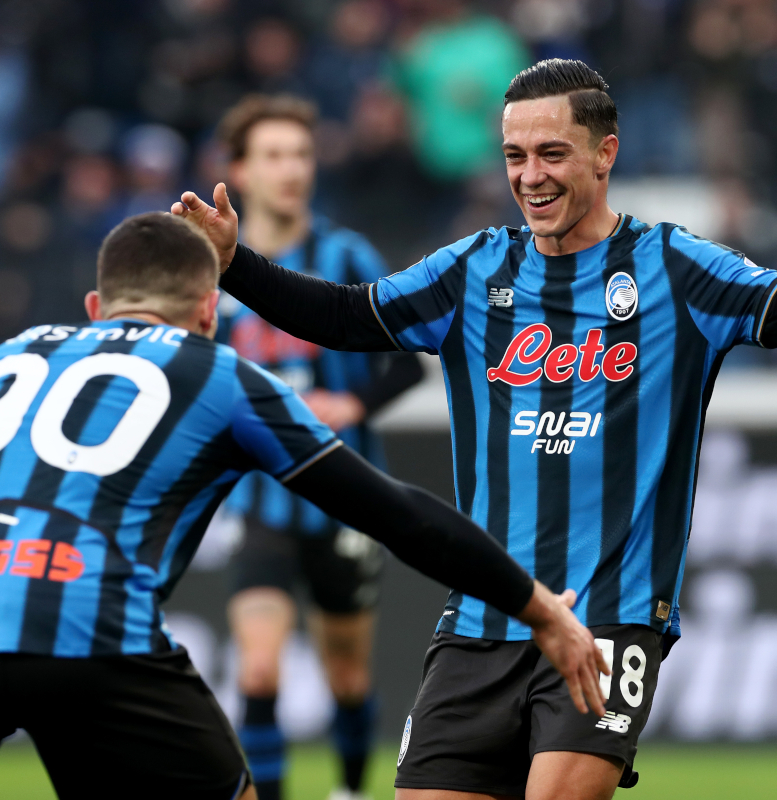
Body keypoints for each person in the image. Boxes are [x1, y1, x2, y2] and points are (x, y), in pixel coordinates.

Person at [171, 59, 777, 799]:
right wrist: (235, 265)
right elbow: (344, 317)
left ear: (605, 152)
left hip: (610, 622)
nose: (531, 176)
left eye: (552, 153)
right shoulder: (473, 269)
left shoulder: (674, 267)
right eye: (515, 157)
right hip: (480, 621)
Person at [0, 212, 609, 799]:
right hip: (85, 630)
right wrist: (535, 606)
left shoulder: (10, 356)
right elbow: (393, 513)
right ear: (209, 311)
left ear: (98, 306)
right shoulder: (219, 373)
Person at [216, 94, 424, 800]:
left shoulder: (346, 256)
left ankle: (349, 790)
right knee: (258, 672)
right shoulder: (215, 274)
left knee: (347, 676)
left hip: (344, 504)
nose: (292, 169)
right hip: (263, 504)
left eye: (302, 154)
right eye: (274, 155)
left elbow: (406, 358)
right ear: (240, 171)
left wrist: (353, 402)